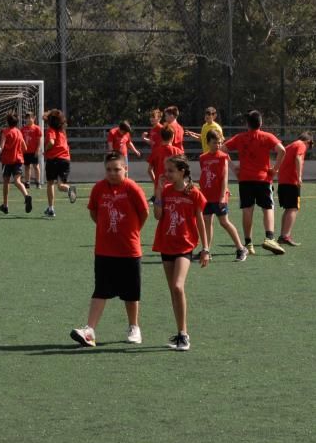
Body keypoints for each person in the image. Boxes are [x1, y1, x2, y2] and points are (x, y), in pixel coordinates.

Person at [70, 152, 149, 348]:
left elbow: (144, 212)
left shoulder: (132, 188)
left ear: (126, 169)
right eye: (109, 170)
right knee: (100, 290)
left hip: (129, 250)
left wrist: (132, 231)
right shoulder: (98, 188)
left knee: (130, 293)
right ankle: (89, 330)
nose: (112, 173)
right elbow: (94, 211)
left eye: (117, 169)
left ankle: (134, 327)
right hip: (104, 250)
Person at [152, 155, 210, 351]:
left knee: (178, 287)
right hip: (166, 245)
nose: (166, 174)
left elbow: (201, 222)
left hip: (185, 246)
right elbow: (158, 216)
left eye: (170, 171)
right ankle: (179, 333)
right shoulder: (166, 191)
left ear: (182, 172)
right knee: (173, 292)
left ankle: (184, 335)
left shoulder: (193, 193)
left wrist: (206, 248)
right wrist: (158, 192)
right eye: (165, 170)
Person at [221, 110, 287, 255]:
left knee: (247, 210)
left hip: (245, 179)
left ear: (247, 124)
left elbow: (222, 149)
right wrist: (275, 169)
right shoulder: (267, 137)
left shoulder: (240, 137)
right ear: (260, 123)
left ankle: (248, 244)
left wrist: (234, 168)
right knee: (268, 208)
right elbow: (282, 150)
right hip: (263, 179)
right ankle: (269, 238)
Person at [198, 130, 247, 261]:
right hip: (206, 197)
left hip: (218, 196)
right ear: (208, 143)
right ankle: (206, 250)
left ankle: (241, 248)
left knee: (224, 222)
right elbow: (204, 176)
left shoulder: (222, 157)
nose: (218, 145)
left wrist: (222, 195)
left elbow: (224, 176)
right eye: (215, 143)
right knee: (207, 222)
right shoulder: (202, 158)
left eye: (220, 143)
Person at [276, 131, 314, 246]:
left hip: (283, 181)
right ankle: (286, 236)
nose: (308, 148)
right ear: (308, 141)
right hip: (291, 182)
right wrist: (299, 176)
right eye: (310, 145)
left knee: (288, 209)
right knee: (293, 208)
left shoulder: (290, 145)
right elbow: (298, 157)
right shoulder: (301, 145)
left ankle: (283, 236)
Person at [0, 111, 32, 214]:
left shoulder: (5, 132)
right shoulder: (19, 132)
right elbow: (25, 148)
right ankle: (26, 196)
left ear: (7, 121)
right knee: (17, 181)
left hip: (7, 161)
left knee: (6, 182)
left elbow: (1, 147)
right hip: (18, 160)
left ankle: (5, 205)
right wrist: (17, 151)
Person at [43, 108, 77, 217]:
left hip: (53, 160)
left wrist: (46, 149)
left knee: (50, 183)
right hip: (65, 159)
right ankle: (69, 189)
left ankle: (51, 209)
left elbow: (52, 142)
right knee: (61, 185)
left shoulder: (51, 130)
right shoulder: (63, 132)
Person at [147, 126, 183, 201]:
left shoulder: (156, 151)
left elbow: (149, 170)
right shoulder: (178, 152)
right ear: (172, 136)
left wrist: (155, 182)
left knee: (159, 211)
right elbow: (183, 171)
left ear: (161, 136)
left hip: (160, 188)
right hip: (174, 187)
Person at [21, 111, 43, 190]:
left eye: (30, 118)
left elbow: (39, 141)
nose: (29, 119)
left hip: (34, 151)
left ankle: (38, 182)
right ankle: (27, 182)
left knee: (36, 166)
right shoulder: (23, 129)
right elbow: (21, 140)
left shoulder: (37, 128)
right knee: (27, 167)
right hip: (26, 151)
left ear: (34, 118)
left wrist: (37, 150)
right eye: (27, 118)